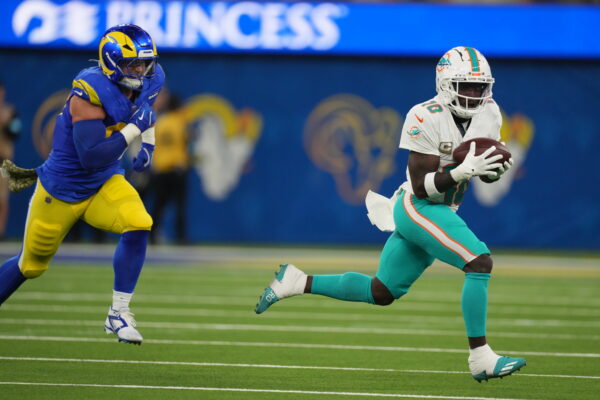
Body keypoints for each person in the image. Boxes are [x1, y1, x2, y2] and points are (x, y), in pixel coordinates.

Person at [255, 46, 526, 382]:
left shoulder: (490, 113)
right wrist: (462, 171)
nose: (474, 95)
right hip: (419, 206)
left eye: (479, 87)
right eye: (466, 86)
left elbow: (483, 168)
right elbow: (422, 186)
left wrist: (491, 170)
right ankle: (481, 358)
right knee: (479, 262)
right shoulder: (424, 116)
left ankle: (296, 281)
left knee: (382, 291)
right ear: (444, 84)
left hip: (445, 207)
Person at [0, 24, 164, 345]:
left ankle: (118, 312)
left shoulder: (150, 79)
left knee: (139, 223)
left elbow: (145, 112)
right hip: (61, 190)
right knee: (30, 266)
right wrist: (135, 131)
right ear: (112, 62)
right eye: (133, 64)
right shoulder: (86, 95)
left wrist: (148, 144)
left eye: (144, 63)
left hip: (103, 182)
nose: (141, 70)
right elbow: (92, 155)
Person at [146, 89, 189, 245]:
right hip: (177, 168)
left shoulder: (161, 121)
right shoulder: (179, 122)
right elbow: (185, 142)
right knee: (179, 206)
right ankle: (181, 238)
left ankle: (151, 236)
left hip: (160, 167)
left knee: (158, 205)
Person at [0, 81, 22, 240]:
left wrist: (5, 123)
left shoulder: (10, 112)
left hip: (3, 161)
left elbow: (15, 132)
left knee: (2, 197)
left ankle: (1, 231)